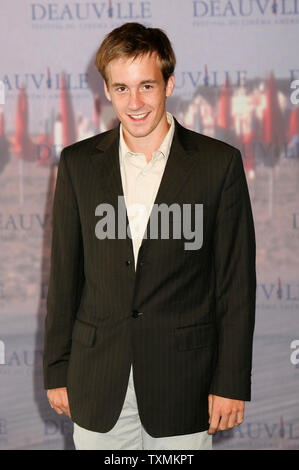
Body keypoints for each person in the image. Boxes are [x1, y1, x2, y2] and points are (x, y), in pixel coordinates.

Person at [43, 22, 256, 450]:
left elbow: (235, 285)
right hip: (97, 381)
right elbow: (65, 277)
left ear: (169, 84)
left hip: (184, 384)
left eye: (146, 86)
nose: (135, 102)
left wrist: (231, 381)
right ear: (106, 90)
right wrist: (57, 369)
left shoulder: (219, 165)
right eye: (121, 88)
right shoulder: (78, 164)